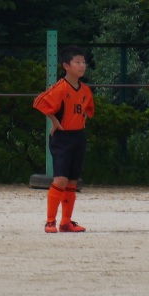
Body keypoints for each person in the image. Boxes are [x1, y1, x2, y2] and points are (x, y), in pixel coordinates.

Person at [33, 45, 95, 233]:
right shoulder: (60, 87)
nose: (82, 66)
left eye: (83, 62)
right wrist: (54, 120)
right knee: (60, 179)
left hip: (78, 137)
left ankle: (66, 222)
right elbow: (39, 102)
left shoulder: (85, 90)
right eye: (77, 62)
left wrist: (82, 118)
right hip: (62, 138)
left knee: (72, 181)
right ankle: (50, 221)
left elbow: (88, 110)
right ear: (66, 65)